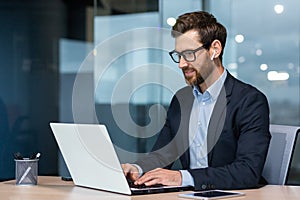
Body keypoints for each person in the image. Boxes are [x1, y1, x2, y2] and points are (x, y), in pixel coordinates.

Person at [122, 11, 271, 191]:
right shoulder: (181, 100)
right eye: (178, 55)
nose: (181, 64)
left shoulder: (249, 101)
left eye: (189, 54)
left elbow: (247, 171)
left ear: (214, 49)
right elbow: (163, 154)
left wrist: (182, 177)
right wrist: (137, 169)